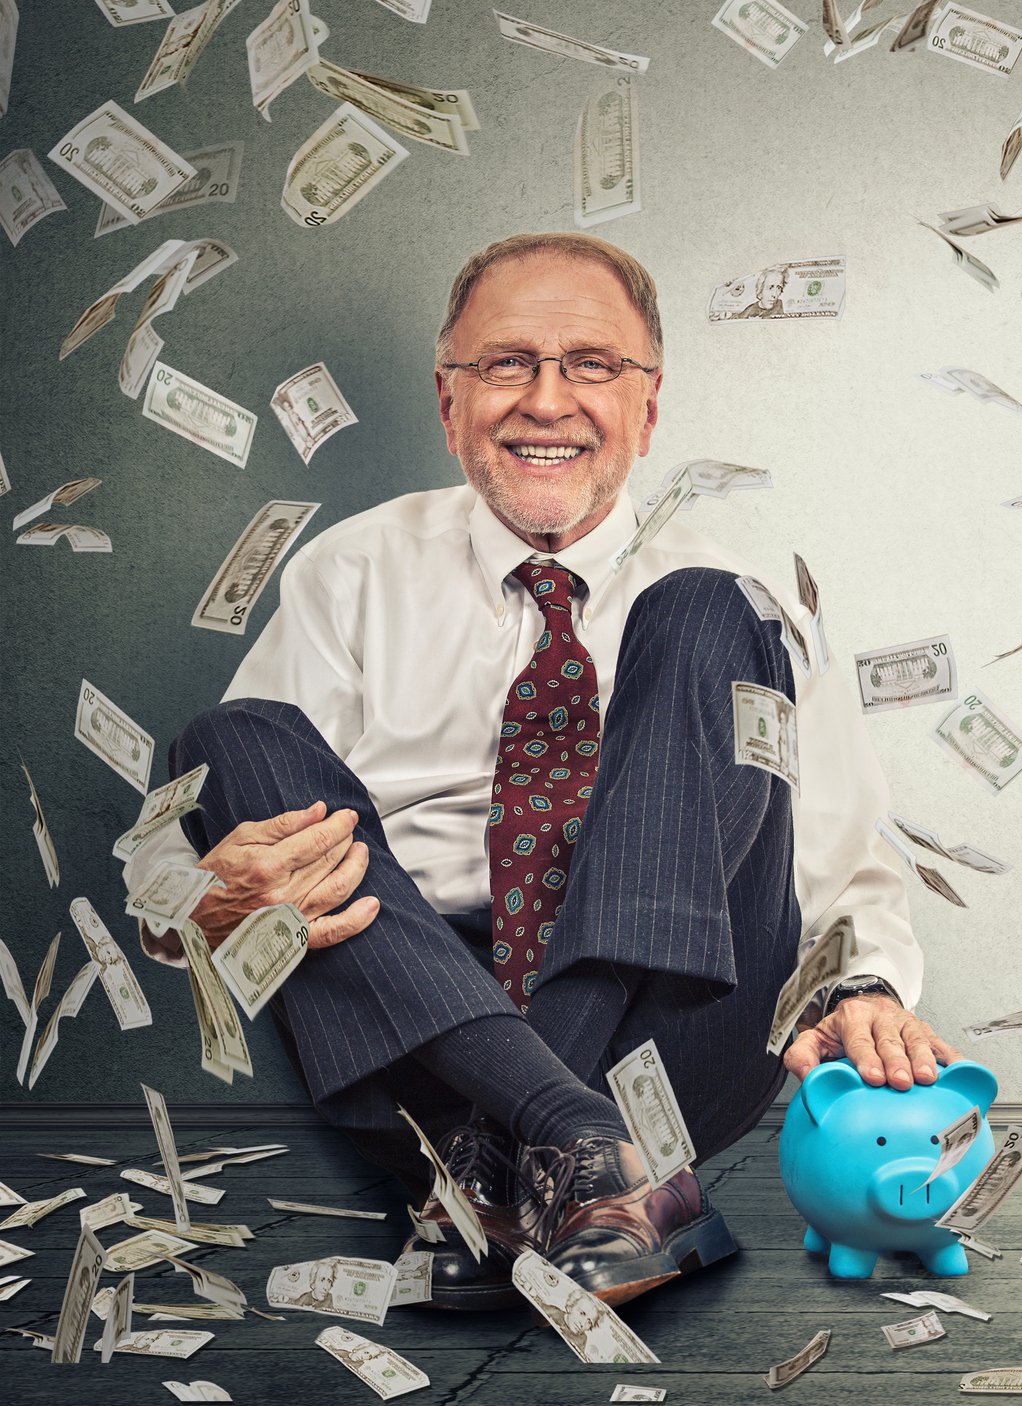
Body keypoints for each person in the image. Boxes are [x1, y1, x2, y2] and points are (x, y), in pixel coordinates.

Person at [121, 232, 957, 1311]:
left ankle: (508, 1157)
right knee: (226, 739)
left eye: (592, 365)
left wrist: (866, 985)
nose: (546, 400)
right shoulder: (350, 569)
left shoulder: (747, 581)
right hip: (421, 1020)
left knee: (709, 607)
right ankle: (579, 1149)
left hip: (679, 1024)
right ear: (449, 400)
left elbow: (843, 846)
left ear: (648, 408)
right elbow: (189, 853)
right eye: (506, 364)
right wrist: (200, 896)